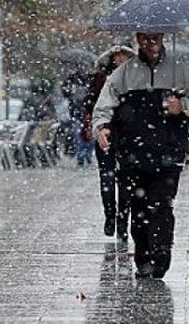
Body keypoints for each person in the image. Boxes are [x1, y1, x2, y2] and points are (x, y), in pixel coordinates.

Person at [92, 32, 189, 279]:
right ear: (137, 38)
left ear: (163, 37)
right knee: (139, 207)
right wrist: (102, 127)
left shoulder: (181, 71)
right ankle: (143, 258)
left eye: (153, 38)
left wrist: (182, 107)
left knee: (162, 206)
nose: (149, 43)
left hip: (168, 152)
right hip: (133, 153)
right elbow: (104, 104)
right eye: (144, 38)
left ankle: (161, 255)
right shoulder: (124, 73)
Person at [83, 45, 136, 239]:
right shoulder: (99, 79)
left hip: (129, 135)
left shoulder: (135, 78)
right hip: (105, 131)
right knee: (106, 177)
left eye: (125, 56)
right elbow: (90, 103)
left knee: (125, 181)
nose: (121, 59)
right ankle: (110, 215)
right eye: (118, 56)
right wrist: (97, 124)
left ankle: (123, 220)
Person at [61, 69, 93, 166]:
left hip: (86, 114)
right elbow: (65, 93)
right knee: (78, 136)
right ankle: (81, 156)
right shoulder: (70, 81)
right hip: (76, 115)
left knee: (87, 136)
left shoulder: (87, 79)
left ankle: (86, 155)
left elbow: (91, 94)